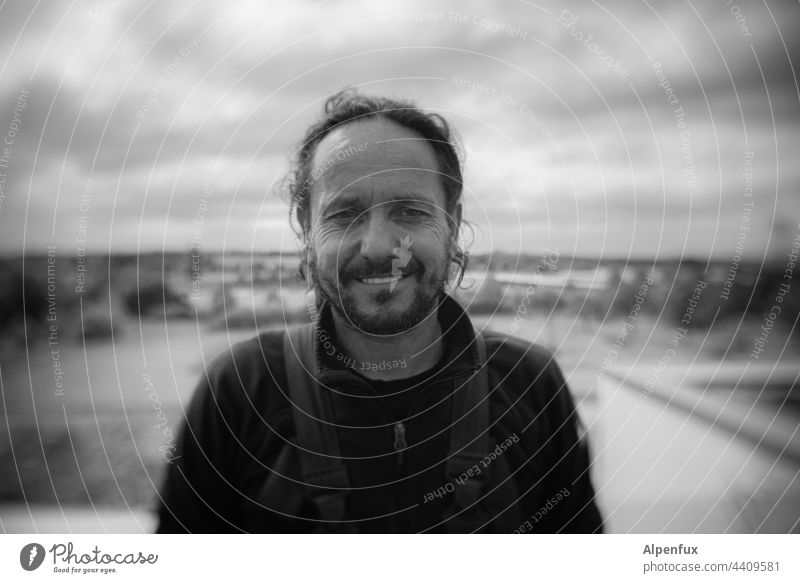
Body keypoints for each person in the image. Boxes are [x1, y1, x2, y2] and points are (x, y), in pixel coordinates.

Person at [156, 90, 603, 533]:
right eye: (344, 213)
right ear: (306, 228)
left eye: (409, 211)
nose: (377, 247)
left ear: (452, 222)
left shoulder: (529, 385)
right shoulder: (241, 391)